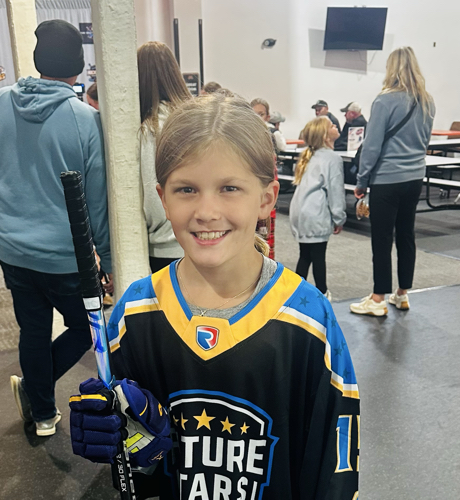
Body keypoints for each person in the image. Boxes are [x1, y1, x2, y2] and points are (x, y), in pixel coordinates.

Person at [69, 94, 360, 499]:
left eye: (229, 188)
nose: (206, 211)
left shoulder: (307, 319)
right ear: (163, 199)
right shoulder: (135, 312)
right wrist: (119, 436)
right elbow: (136, 459)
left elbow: (333, 467)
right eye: (186, 189)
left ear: (266, 198)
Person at [0, 20, 112, 436]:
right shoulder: (84, 119)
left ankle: (41, 413)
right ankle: (37, 393)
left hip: (12, 248)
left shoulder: (0, 102)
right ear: (78, 65)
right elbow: (97, 202)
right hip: (63, 255)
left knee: (33, 330)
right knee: (87, 328)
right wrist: (109, 262)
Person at [350, 47, 435, 316]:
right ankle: (402, 293)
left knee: (382, 238)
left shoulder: (384, 101)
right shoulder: (427, 101)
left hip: (387, 178)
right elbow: (425, 142)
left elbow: (372, 146)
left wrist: (362, 181)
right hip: (415, 176)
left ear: (391, 68)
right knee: (407, 234)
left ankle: (378, 298)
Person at [138, 41, 191, 273]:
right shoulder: (194, 120)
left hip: (166, 244)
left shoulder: (151, 128)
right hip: (203, 236)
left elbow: (153, 195)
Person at [290, 117, 346, 302]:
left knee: (305, 255)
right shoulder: (333, 158)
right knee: (319, 256)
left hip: (300, 211)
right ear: (325, 136)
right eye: (332, 125)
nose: (336, 126)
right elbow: (335, 191)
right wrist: (339, 218)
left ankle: (296, 294)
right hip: (316, 213)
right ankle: (322, 293)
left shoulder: (309, 156)